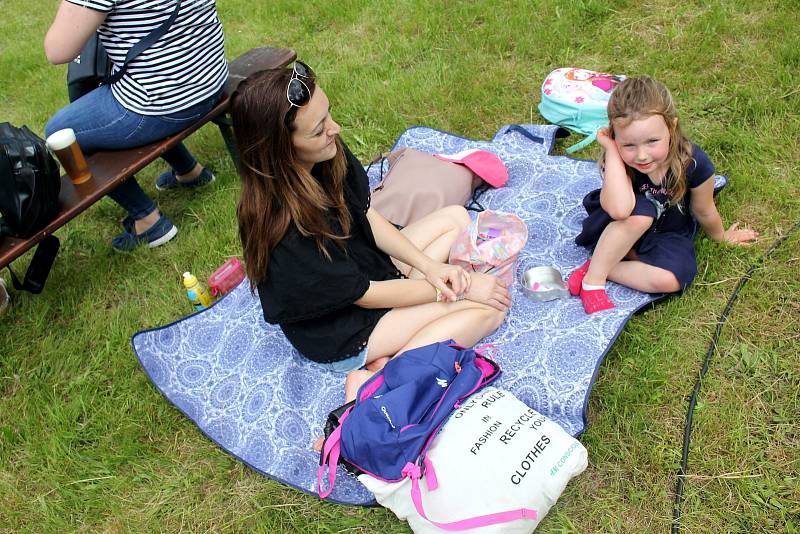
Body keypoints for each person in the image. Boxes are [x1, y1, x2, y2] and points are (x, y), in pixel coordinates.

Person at [230, 62, 510, 406]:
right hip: (342, 327)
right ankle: (380, 380)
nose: (335, 129)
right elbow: (364, 295)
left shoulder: (327, 151)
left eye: (328, 115)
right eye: (318, 130)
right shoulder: (285, 228)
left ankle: (402, 327)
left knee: (455, 217)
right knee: (485, 309)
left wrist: (429, 267)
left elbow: (365, 212)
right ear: (280, 150)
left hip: (365, 265)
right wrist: (449, 289)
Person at [43, 0, 228, 251]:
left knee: (62, 131)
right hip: (209, 79)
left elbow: (57, 50)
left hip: (165, 102)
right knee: (137, 88)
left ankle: (148, 221)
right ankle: (189, 172)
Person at [569, 76, 758, 314]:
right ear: (614, 137)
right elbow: (618, 210)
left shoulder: (694, 162)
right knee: (643, 214)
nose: (642, 155)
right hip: (616, 227)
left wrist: (721, 237)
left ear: (672, 127)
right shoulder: (619, 159)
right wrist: (611, 151)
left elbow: (703, 209)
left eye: (652, 141)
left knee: (672, 280)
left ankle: (600, 264)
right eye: (628, 145)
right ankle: (593, 281)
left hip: (667, 231)